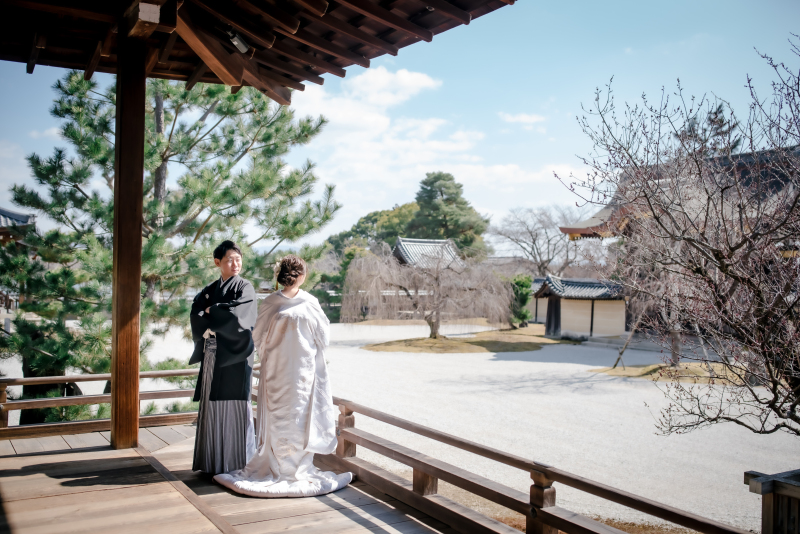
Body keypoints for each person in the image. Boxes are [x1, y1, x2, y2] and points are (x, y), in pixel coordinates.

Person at [214, 255, 353, 497]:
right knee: (288, 416)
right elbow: (322, 338)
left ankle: (292, 466)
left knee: (293, 417)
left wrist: (275, 350)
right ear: (301, 276)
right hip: (292, 370)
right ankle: (285, 467)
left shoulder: (280, 302)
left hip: (288, 371)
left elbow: (259, 338)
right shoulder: (297, 302)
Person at [189, 240, 257, 475]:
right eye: (229, 260)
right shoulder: (210, 289)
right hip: (212, 354)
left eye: (238, 259)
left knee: (234, 407)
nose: (235, 264)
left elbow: (239, 316)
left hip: (236, 357)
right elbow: (196, 311)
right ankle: (212, 463)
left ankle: (238, 464)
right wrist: (214, 312)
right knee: (211, 404)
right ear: (217, 262)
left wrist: (213, 310)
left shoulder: (245, 287)